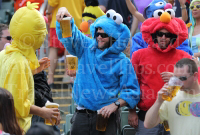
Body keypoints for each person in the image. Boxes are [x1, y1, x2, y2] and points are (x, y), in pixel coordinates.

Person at [56, 7, 140, 135]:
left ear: (114, 37)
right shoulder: (87, 47)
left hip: (106, 117)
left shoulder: (122, 61)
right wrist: (65, 17)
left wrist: (115, 104)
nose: (99, 37)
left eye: (104, 35)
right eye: (97, 33)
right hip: (81, 115)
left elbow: (132, 92)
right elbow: (72, 37)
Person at [129, 9, 191, 135]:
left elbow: (194, 86)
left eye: (167, 35)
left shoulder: (184, 56)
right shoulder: (138, 55)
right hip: (147, 116)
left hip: (177, 117)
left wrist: (177, 78)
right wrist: (131, 111)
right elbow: (132, 85)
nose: (163, 37)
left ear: (173, 36)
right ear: (154, 34)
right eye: (160, 33)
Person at [0, 2, 60, 132]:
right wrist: (42, 112)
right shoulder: (19, 62)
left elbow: (9, 80)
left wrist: (34, 70)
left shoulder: (4, 54)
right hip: (17, 128)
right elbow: (18, 104)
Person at [144, 58, 200, 135]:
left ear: (195, 76)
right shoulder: (172, 96)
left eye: (182, 78)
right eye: (175, 78)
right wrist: (158, 101)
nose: (178, 82)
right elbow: (148, 124)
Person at [127, 0, 193, 59]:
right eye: (159, 14)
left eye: (166, 14)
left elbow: (186, 59)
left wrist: (182, 5)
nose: (162, 18)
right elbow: (136, 60)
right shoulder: (139, 38)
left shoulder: (178, 37)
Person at [46, 0, 85, 86]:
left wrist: (48, 12)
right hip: (75, 22)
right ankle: (69, 77)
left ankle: (50, 79)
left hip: (58, 22)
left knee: (53, 49)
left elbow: (52, 3)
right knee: (71, 49)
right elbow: (84, 6)